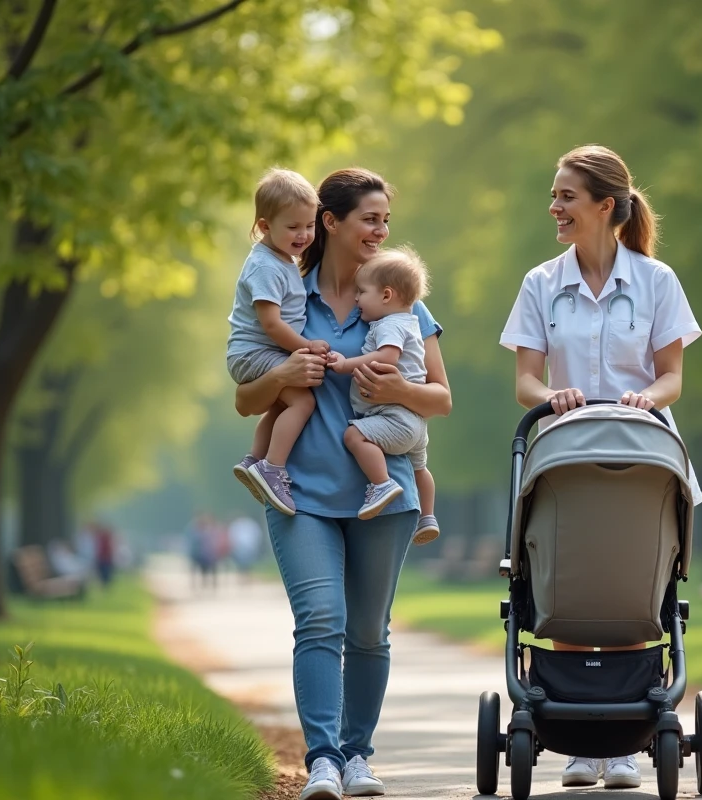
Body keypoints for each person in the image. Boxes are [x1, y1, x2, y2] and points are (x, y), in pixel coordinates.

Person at [234, 168, 452, 800]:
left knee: (367, 631)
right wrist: (285, 374)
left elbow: (441, 399)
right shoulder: (282, 288)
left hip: (381, 493)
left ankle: (359, 755)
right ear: (330, 222)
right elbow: (247, 402)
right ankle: (324, 760)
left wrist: (397, 389)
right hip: (299, 492)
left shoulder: (398, 295)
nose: (381, 231)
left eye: (386, 220)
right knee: (320, 620)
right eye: (370, 219)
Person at [500, 144, 702, 790]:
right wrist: (550, 397)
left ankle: (620, 747)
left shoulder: (655, 281)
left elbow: (671, 376)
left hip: (642, 452)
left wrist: (650, 396)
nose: (554, 206)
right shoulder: (540, 284)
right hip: (566, 454)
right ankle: (585, 747)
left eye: (566, 196)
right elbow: (526, 381)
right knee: (569, 582)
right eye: (555, 194)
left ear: (604, 206)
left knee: (627, 582)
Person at [226, 167, 331, 516]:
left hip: (263, 351)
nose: (303, 235)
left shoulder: (282, 258)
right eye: (293, 227)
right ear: (264, 226)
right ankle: (273, 467)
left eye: (309, 225)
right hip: (255, 352)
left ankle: (255, 460)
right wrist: (305, 346)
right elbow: (271, 324)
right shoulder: (266, 266)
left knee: (283, 404)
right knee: (302, 404)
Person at [328, 245, 440, 543]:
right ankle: (427, 516)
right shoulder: (410, 322)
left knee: (354, 437)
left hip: (392, 415)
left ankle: (382, 484)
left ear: (387, 295)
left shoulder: (389, 325)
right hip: (415, 420)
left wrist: (345, 365)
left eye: (362, 292)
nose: (356, 298)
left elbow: (386, 358)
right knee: (420, 468)